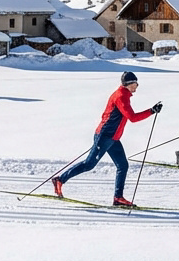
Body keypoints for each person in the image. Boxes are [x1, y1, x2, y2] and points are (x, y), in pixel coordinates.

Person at [53, 71, 161, 207]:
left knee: (123, 165)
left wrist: (152, 110)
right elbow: (132, 117)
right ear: (128, 84)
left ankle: (118, 198)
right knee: (89, 164)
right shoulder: (121, 96)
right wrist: (151, 111)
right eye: (135, 83)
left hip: (113, 138)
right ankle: (60, 180)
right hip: (105, 136)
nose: (137, 86)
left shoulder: (124, 95)